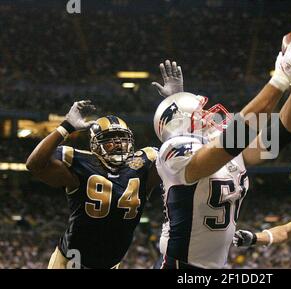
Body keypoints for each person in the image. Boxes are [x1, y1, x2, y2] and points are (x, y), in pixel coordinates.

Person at [152, 37, 291, 268]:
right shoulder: (173, 152)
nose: (210, 115)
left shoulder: (219, 145)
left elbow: (278, 137)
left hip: (217, 265)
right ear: (182, 123)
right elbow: (233, 140)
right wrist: (281, 78)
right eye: (200, 112)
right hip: (180, 266)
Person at [25, 60, 184, 269]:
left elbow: (182, 156)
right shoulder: (81, 162)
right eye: (111, 139)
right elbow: (34, 164)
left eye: (122, 138)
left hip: (111, 264)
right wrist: (65, 127)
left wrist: (177, 103)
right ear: (95, 145)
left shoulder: (144, 163)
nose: (118, 143)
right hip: (70, 262)